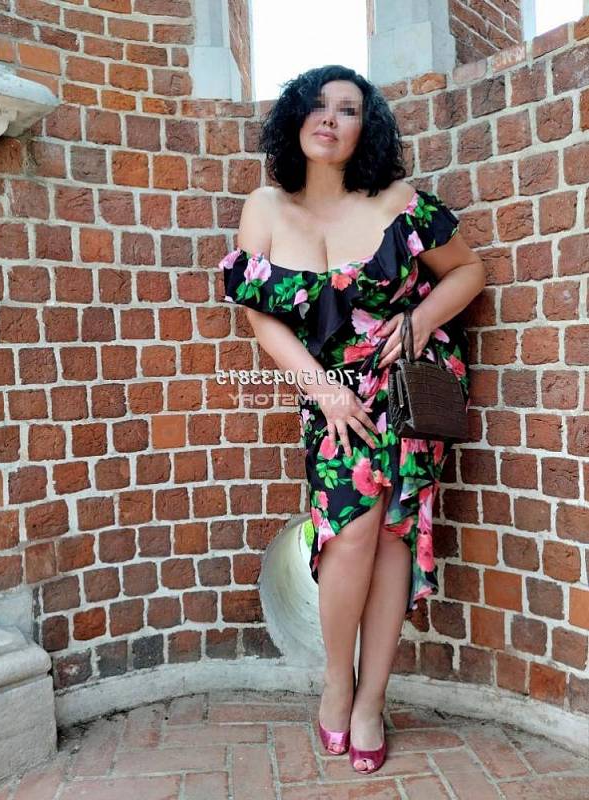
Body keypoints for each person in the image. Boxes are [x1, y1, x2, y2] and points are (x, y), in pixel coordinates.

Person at [218, 64, 485, 774]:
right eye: (318, 106)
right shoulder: (265, 207)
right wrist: (323, 392)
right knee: (349, 533)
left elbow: (468, 272)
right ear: (296, 118)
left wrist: (420, 320)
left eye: (349, 109)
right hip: (331, 392)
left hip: (407, 384)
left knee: (393, 533)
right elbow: (260, 316)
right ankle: (337, 684)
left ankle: (371, 700)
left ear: (368, 129)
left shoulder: (399, 202)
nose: (331, 119)